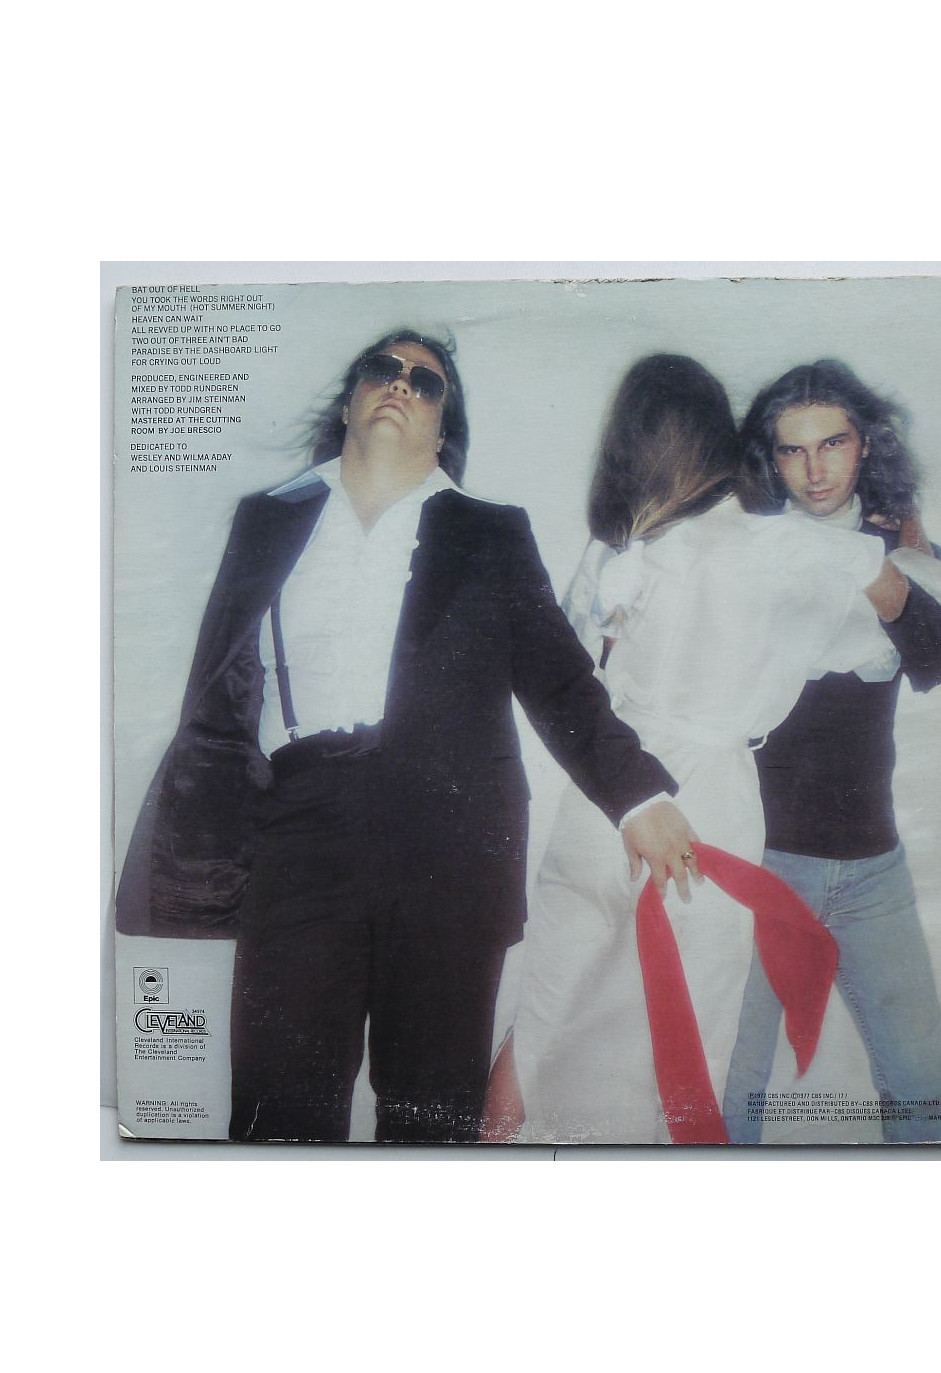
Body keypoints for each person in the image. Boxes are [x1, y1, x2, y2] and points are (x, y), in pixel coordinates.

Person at [115, 328, 699, 1145]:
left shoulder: (491, 533)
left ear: (442, 425)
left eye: (427, 383)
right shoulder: (267, 520)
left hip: (448, 844)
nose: (401, 384)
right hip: (301, 830)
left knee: (432, 1114)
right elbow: (216, 685)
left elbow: (560, 679)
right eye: (384, 369)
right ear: (350, 400)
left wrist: (638, 795)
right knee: (278, 1105)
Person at [484, 354, 921, 1146]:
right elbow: (901, 638)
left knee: (541, 1014)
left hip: (609, 796)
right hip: (710, 805)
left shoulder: (616, 552)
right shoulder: (788, 549)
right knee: (691, 1036)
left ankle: (484, 1158)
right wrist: (899, 542)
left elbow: (574, 671)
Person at [722, 359, 941, 1145]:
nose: (814, 469)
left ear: (865, 443)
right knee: (731, 1095)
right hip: (758, 864)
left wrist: (876, 561)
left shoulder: (895, 542)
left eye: (832, 443)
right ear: (771, 459)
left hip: (874, 870)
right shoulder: (746, 547)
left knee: (926, 1097)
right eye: (793, 450)